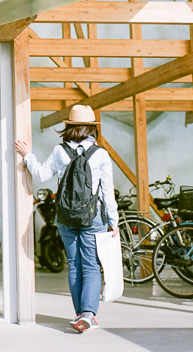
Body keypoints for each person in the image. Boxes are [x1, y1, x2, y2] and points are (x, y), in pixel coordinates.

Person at [15, 104, 118, 333]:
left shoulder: (60, 151)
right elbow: (107, 192)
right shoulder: (101, 154)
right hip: (93, 218)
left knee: (74, 266)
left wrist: (27, 155)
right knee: (91, 266)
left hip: (65, 217)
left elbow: (41, 174)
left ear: (69, 127)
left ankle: (80, 314)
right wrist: (114, 220)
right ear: (91, 128)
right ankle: (89, 315)